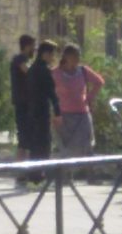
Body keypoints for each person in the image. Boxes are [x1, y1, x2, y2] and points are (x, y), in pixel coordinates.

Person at [53, 44, 105, 158]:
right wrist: (54, 112)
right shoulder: (56, 73)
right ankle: (67, 169)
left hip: (82, 115)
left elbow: (99, 82)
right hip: (65, 116)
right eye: (74, 56)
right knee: (68, 150)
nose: (77, 59)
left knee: (86, 147)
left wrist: (89, 98)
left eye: (78, 56)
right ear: (66, 57)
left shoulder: (83, 71)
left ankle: (88, 168)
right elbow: (48, 91)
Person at [25, 40, 61, 182]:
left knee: (35, 144)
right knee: (44, 142)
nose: (53, 58)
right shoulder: (44, 70)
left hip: (31, 110)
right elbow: (51, 92)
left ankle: (33, 174)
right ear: (45, 54)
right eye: (52, 54)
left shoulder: (32, 69)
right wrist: (58, 111)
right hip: (42, 110)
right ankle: (40, 174)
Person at [11, 34, 36, 174]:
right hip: (22, 103)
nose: (34, 49)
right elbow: (28, 71)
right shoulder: (19, 59)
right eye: (33, 46)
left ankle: (25, 170)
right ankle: (19, 171)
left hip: (28, 103)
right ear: (27, 46)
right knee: (23, 138)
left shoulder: (26, 60)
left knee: (28, 139)